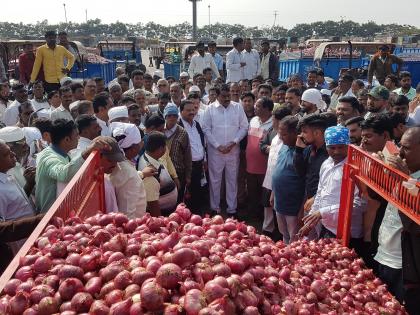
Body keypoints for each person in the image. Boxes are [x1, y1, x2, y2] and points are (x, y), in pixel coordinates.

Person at [299, 126, 366, 255]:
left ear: (348, 145)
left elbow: (359, 204)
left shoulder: (356, 168)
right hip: (327, 227)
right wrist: (310, 221)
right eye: (332, 147)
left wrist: (323, 212)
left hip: (348, 232)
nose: (336, 151)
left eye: (341, 147)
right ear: (326, 147)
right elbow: (320, 193)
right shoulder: (326, 164)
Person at [35, 119, 111, 212]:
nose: (79, 138)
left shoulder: (61, 153)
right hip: (49, 216)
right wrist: (86, 153)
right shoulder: (49, 158)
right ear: (67, 139)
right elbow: (64, 174)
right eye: (76, 135)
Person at [202, 84, 249, 217]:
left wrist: (234, 142)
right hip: (215, 152)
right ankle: (214, 208)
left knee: (232, 179)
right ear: (217, 96)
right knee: (215, 180)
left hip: (232, 151)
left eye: (228, 95)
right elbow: (206, 129)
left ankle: (232, 209)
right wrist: (218, 145)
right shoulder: (210, 109)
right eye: (224, 96)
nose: (227, 98)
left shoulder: (237, 107)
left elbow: (244, 127)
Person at [270, 116, 304, 243]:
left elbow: (306, 182)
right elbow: (277, 170)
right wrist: (273, 193)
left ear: (295, 133)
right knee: (284, 233)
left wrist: (302, 209)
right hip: (280, 202)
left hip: (293, 206)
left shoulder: (302, 152)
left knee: (295, 238)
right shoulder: (284, 147)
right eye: (279, 134)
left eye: (284, 134)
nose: (280, 137)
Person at [260, 106, 292, 236]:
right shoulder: (273, 134)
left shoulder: (289, 140)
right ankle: (267, 231)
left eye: (273, 119)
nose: (272, 121)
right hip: (269, 178)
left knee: (278, 211)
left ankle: (279, 235)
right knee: (267, 206)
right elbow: (262, 145)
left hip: (280, 182)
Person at [109, 122, 148, 219]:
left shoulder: (121, 166)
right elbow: (127, 215)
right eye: (140, 142)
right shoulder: (127, 172)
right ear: (134, 148)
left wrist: (140, 174)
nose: (142, 143)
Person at [294, 114, 329, 218]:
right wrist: (298, 150)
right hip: (309, 201)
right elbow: (300, 172)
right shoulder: (310, 149)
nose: (301, 135)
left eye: (305, 132)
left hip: (323, 206)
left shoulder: (330, 153)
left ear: (317, 133)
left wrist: (315, 197)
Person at [137, 131, 178, 216]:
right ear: (160, 149)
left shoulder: (152, 158)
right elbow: (152, 203)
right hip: (163, 215)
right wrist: (160, 223)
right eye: (165, 147)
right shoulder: (151, 171)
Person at [246, 97, 273, 215]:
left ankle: (263, 215)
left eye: (258, 106)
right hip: (250, 163)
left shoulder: (273, 124)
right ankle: (253, 212)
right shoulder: (253, 121)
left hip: (265, 165)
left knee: (264, 191)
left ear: (267, 109)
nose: (254, 108)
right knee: (252, 190)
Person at [178, 99, 206, 213]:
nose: (191, 112)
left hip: (199, 165)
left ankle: (197, 218)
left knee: (197, 193)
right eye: (188, 110)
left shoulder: (197, 124)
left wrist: (205, 160)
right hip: (185, 167)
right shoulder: (178, 126)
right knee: (185, 195)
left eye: (193, 109)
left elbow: (202, 143)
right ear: (181, 111)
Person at [163, 104, 192, 203]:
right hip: (163, 173)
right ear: (165, 116)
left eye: (174, 115)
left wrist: (188, 176)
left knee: (178, 200)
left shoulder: (183, 133)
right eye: (169, 115)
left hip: (179, 173)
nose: (172, 118)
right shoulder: (160, 131)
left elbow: (187, 155)